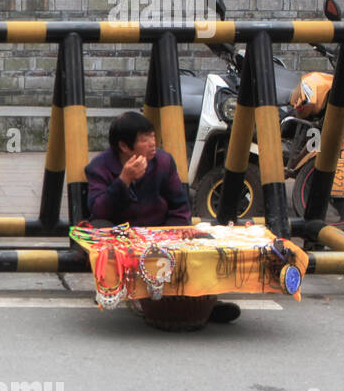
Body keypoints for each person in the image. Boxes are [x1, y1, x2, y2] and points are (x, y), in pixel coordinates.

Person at [86, 111, 239, 323]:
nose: (152, 143)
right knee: (101, 230)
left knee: (200, 240)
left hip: (160, 232)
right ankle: (118, 289)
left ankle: (204, 300)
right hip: (125, 235)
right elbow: (98, 211)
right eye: (144, 139)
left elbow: (179, 205)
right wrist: (124, 180)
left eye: (152, 136)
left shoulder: (164, 162)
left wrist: (174, 233)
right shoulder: (99, 167)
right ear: (124, 146)